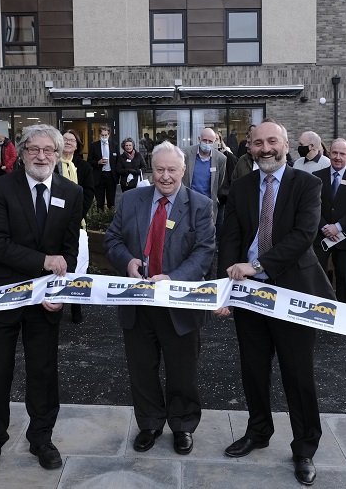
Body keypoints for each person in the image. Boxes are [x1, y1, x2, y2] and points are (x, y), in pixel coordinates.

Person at [217, 120, 334, 487]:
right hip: (249, 295)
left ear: (286, 144)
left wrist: (256, 266)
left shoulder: (308, 185)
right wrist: (228, 290)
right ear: (249, 147)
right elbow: (231, 236)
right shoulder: (240, 186)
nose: (265, 148)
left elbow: (303, 237)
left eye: (272, 141)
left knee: (297, 374)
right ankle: (258, 431)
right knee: (253, 369)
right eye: (257, 143)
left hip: (292, 293)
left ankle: (304, 448)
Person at [0, 125, 83, 479]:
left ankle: (42, 438)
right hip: (1, 294)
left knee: (43, 371)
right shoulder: (2, 187)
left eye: (48, 149)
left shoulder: (72, 191)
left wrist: (57, 291)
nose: (41, 156)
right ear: (21, 153)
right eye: (33, 149)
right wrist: (43, 262)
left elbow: (68, 249)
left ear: (58, 152)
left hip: (45, 299)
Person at [104, 141, 215, 456]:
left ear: (183, 171)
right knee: (142, 369)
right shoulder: (131, 200)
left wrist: (174, 279)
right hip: (138, 303)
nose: (165, 177)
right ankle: (150, 423)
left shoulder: (201, 205)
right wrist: (127, 261)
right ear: (150, 170)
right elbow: (112, 238)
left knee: (183, 371)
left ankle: (182, 425)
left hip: (179, 305)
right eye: (159, 170)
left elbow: (204, 251)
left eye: (172, 170)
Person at [313, 138, 346, 305]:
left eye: (342, 154)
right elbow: (312, 206)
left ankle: (344, 317)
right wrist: (325, 226)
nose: (338, 157)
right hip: (321, 237)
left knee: (344, 280)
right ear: (329, 154)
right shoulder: (317, 177)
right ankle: (318, 312)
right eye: (335, 153)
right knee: (317, 277)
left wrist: (337, 227)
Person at [56, 128, 95, 324]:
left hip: (77, 223)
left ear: (78, 145)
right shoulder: (53, 164)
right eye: (65, 139)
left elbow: (88, 193)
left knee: (78, 265)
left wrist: (74, 216)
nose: (69, 142)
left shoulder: (84, 167)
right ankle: (54, 301)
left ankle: (76, 306)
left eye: (72, 140)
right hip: (53, 223)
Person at [182, 128, 227, 222]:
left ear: (215, 141)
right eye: (204, 140)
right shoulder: (185, 154)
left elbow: (218, 182)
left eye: (210, 141)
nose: (207, 143)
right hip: (187, 203)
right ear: (199, 139)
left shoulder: (220, 158)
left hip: (208, 205)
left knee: (205, 234)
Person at [87, 126, 119, 209]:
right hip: (99, 176)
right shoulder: (94, 146)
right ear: (99, 135)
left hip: (111, 176)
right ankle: (99, 220)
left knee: (111, 201)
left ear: (109, 135)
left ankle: (111, 219)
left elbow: (118, 161)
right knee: (99, 201)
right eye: (102, 135)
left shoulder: (114, 145)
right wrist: (98, 162)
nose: (104, 137)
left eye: (105, 135)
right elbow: (89, 161)